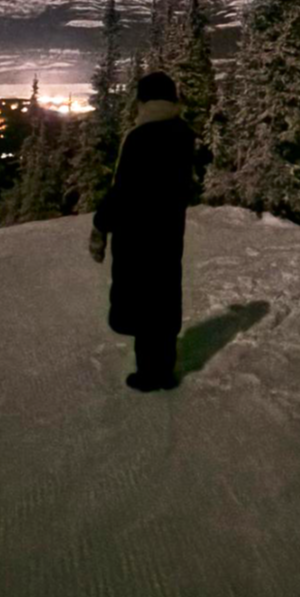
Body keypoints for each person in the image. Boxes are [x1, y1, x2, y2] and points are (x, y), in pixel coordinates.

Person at [88, 70, 196, 392]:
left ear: (144, 100)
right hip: (168, 230)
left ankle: (149, 374)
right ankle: (162, 368)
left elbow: (124, 190)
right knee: (162, 295)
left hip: (137, 233)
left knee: (142, 300)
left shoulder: (141, 136)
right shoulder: (182, 132)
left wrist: (100, 225)